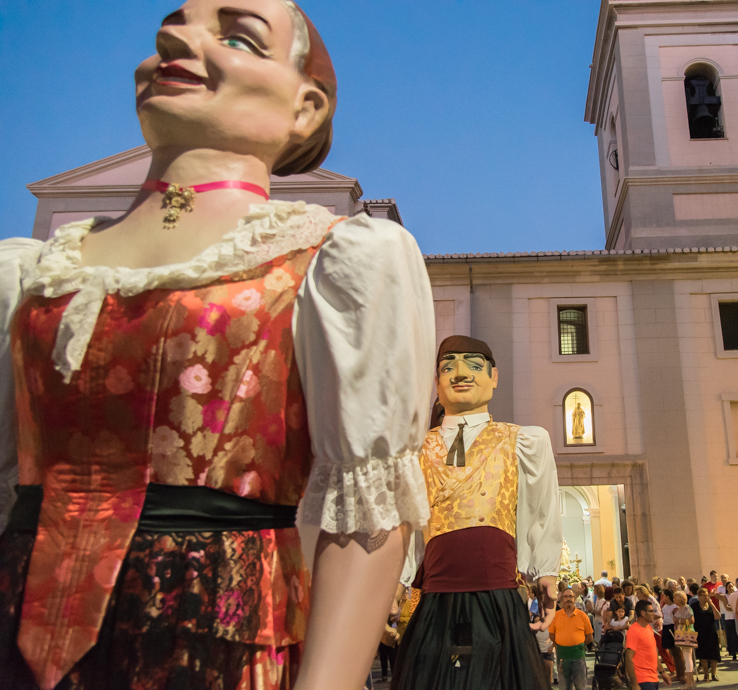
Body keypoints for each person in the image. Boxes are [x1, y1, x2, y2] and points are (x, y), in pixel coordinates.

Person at [0, 2, 437, 689]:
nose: (176, 36)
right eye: (172, 26)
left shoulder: (336, 260)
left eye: (239, 37)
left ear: (307, 107)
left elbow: (368, 509)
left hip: (219, 638)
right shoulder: (27, 275)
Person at [392, 336, 562, 690]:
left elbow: (543, 506)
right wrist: (397, 579)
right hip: (436, 598)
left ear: (494, 377)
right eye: (448, 366)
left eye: (473, 365)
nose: (460, 373)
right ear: (436, 381)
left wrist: (546, 569)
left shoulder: (524, 441)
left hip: (498, 596)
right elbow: (405, 521)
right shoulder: (414, 450)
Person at [549, 588, 594, 690]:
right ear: (562, 599)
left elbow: (589, 636)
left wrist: (580, 646)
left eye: (570, 596)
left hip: (578, 656)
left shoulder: (582, 616)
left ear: (575, 599)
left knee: (580, 686)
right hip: (562, 657)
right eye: (566, 596)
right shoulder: (556, 616)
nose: (568, 599)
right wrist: (558, 644)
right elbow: (551, 635)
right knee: (564, 686)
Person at [624, 600, 673, 690]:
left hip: (653, 678)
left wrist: (662, 672)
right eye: (651, 611)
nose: (654, 614)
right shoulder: (634, 630)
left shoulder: (649, 628)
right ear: (643, 613)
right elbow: (629, 657)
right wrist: (634, 684)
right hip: (642, 680)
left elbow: (653, 652)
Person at [690, 582, 720, 682]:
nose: (706, 597)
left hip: (711, 632)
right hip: (700, 633)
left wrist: (712, 604)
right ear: (699, 596)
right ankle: (706, 675)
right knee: (703, 655)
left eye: (707, 595)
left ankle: (714, 674)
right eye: (703, 595)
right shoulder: (694, 606)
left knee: (714, 655)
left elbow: (718, 617)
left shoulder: (711, 605)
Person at [673, 591, 696, 688]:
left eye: (675, 597)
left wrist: (679, 621)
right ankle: (690, 681)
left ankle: (689, 682)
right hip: (681, 633)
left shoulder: (686, 608)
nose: (674, 599)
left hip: (686, 633)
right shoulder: (679, 609)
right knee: (686, 657)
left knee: (687, 657)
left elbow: (691, 620)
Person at [718, 578, 738, 662]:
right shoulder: (725, 596)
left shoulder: (737, 595)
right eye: (729, 587)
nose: (731, 588)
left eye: (732, 586)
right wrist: (736, 608)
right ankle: (733, 653)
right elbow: (727, 607)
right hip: (729, 618)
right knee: (731, 636)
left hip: (737, 618)